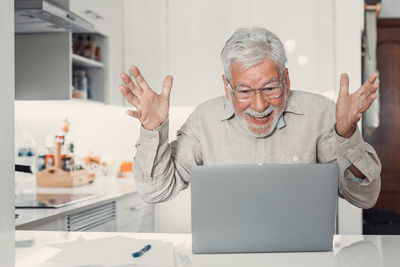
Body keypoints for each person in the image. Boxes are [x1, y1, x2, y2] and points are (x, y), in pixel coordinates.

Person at [119, 27, 381, 208]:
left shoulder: (321, 113)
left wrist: (346, 136)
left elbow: (364, 198)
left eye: (270, 88)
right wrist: (152, 128)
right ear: (227, 86)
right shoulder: (203, 120)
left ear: (286, 80)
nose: (259, 105)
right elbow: (155, 191)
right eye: (244, 91)